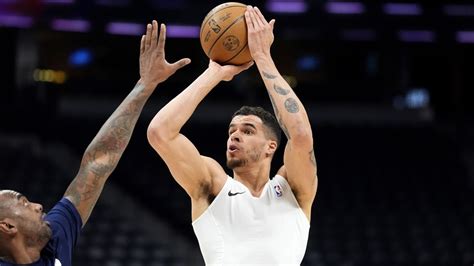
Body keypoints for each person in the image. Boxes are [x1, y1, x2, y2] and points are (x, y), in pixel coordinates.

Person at [0, 20, 190, 265]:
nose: (37, 206)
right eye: (23, 203)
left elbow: (97, 162)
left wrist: (145, 86)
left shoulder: (53, 241)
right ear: (7, 225)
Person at [147, 6, 317, 265]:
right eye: (232, 131)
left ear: (271, 146)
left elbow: (301, 135)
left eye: (248, 131)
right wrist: (214, 72)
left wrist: (262, 58)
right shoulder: (213, 184)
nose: (235, 136)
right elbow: (160, 133)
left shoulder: (292, 188)